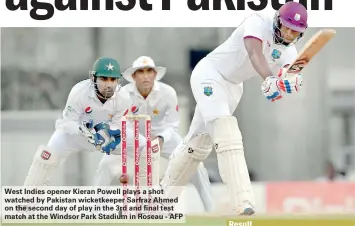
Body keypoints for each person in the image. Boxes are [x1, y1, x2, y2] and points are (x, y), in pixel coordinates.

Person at [160, 1, 309, 215]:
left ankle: (160, 201)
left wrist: (288, 83)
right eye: (286, 27)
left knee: (198, 144)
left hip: (233, 88)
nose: (288, 34)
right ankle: (243, 201)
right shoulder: (259, 21)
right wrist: (269, 79)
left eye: (294, 32)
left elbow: (285, 75)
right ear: (278, 21)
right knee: (226, 130)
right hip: (210, 74)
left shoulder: (289, 52)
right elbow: (254, 53)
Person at [93, 56, 215, 212]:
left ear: (155, 74)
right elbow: (120, 123)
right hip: (132, 138)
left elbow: (172, 124)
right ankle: (94, 208)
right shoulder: (122, 94)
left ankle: (211, 210)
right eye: (141, 72)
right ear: (133, 76)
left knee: (195, 163)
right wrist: (140, 141)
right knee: (105, 164)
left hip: (163, 137)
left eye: (149, 71)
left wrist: (161, 138)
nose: (145, 76)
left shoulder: (168, 93)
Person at [23, 57, 129, 186]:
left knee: (143, 147)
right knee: (46, 158)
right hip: (75, 135)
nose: (108, 84)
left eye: (112, 79)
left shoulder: (123, 96)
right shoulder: (80, 91)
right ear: (93, 78)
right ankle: (27, 201)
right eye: (103, 79)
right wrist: (84, 131)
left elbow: (118, 125)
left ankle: (146, 198)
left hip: (106, 137)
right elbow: (67, 122)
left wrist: (107, 136)